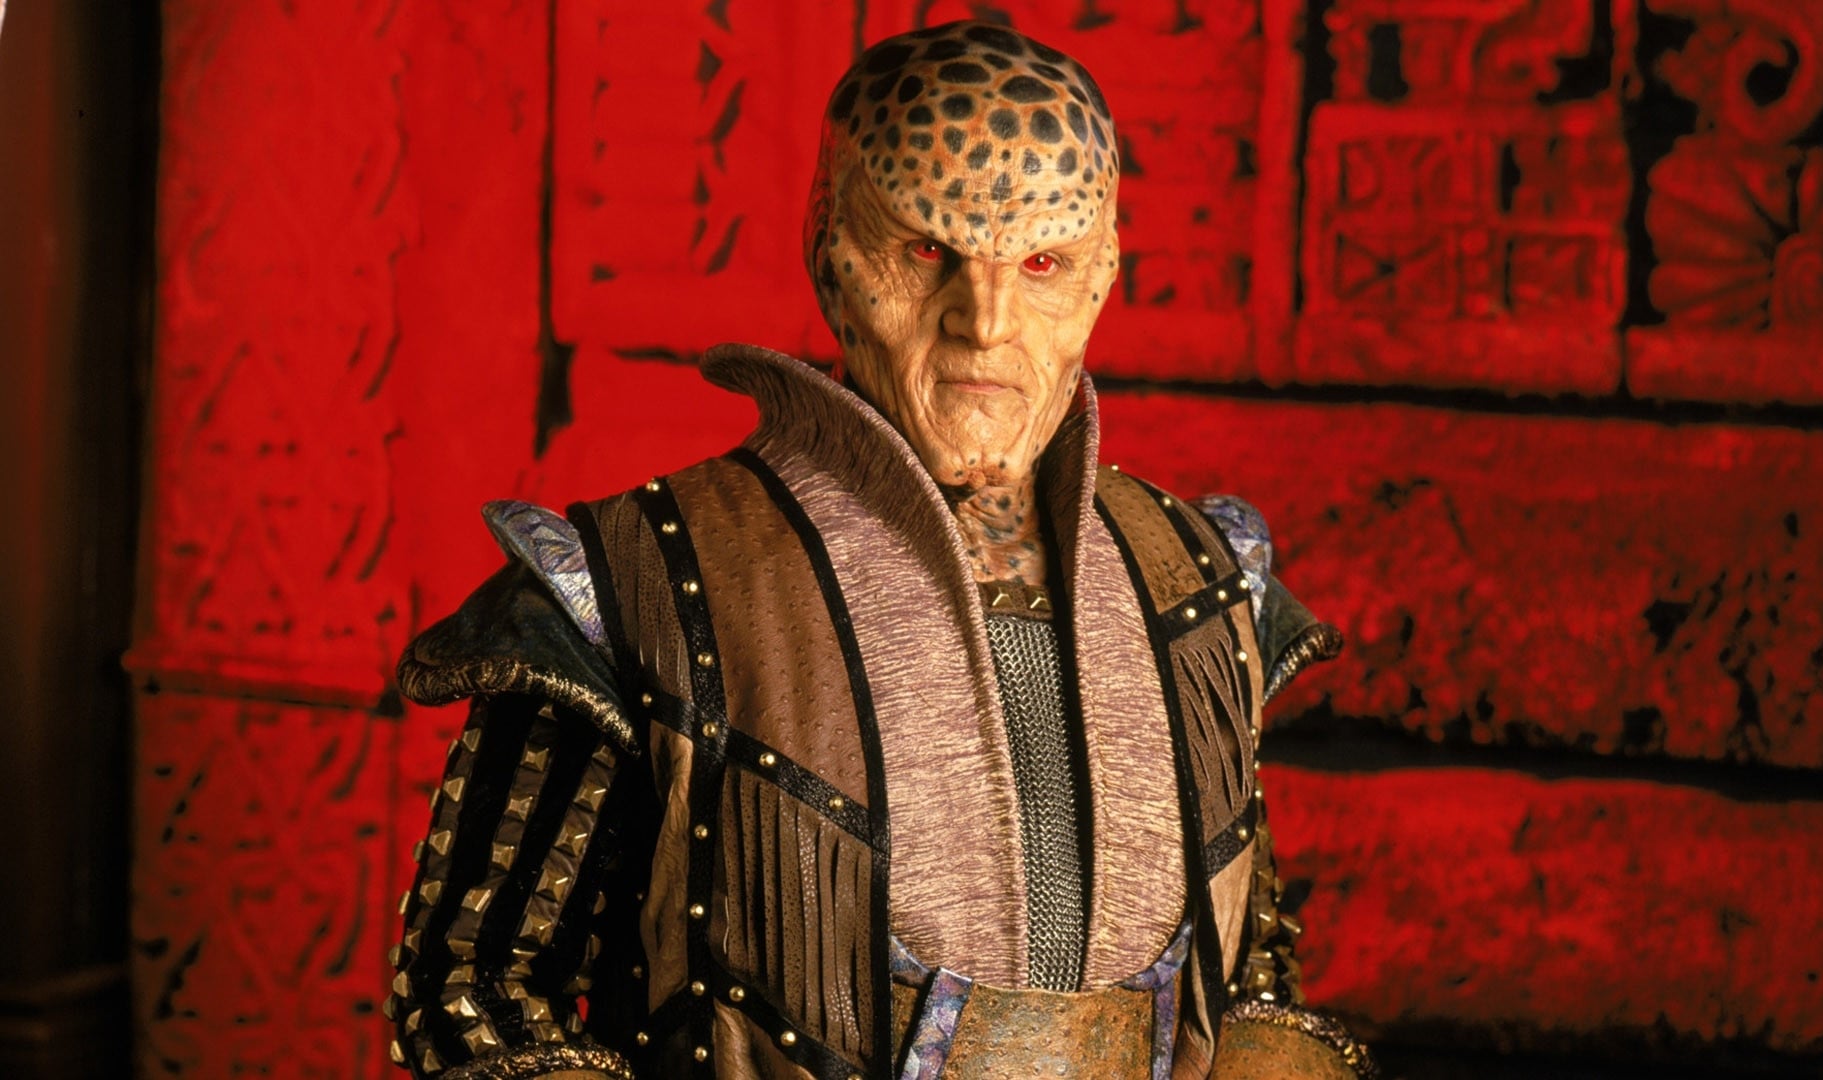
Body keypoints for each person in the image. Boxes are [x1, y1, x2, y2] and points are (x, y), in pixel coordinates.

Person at [384, 21, 1377, 1080]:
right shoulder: (632, 583)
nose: (984, 323)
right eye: (927, 252)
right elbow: (472, 990)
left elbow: (1248, 981)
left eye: (1042, 262)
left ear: (1103, 276)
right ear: (830, 248)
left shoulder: (1203, 581)